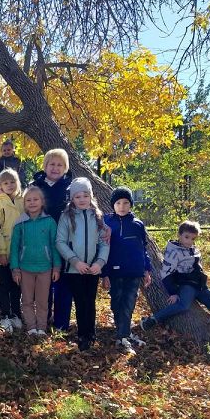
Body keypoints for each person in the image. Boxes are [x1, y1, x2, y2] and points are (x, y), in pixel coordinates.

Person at [139, 220, 210, 351]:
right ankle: (151, 320)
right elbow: (166, 273)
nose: (189, 241)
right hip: (186, 284)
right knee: (183, 305)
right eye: (186, 237)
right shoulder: (173, 252)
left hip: (200, 285)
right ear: (179, 235)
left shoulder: (194, 250)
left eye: (193, 238)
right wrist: (173, 292)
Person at [56, 178, 109, 351]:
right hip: (74, 269)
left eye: (85, 195)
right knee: (80, 301)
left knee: (90, 301)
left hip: (93, 269)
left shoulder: (97, 216)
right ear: (72, 198)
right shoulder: (66, 216)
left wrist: (99, 263)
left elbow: (104, 242)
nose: (82, 199)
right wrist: (75, 261)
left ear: (91, 196)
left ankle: (91, 333)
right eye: (78, 196)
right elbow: (60, 242)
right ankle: (82, 335)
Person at [101, 186, 152, 355]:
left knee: (129, 301)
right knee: (117, 301)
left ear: (131, 204)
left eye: (125, 203)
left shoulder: (137, 224)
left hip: (134, 272)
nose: (122, 206)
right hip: (114, 272)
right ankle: (123, 332)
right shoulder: (106, 222)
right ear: (113, 205)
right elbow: (103, 248)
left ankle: (123, 336)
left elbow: (143, 249)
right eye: (118, 203)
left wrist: (147, 269)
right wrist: (104, 274)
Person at [10, 186, 61, 337]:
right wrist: (15, 268)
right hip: (25, 269)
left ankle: (41, 328)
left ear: (42, 201)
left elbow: (55, 245)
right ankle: (31, 327)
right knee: (26, 300)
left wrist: (56, 267)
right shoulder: (20, 223)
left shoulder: (49, 222)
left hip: (45, 268)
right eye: (28, 200)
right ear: (24, 203)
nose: (32, 203)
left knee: (42, 301)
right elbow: (14, 247)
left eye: (35, 199)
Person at [33, 148, 73, 330]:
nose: (55, 168)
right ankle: (43, 318)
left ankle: (61, 323)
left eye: (60, 165)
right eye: (52, 164)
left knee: (63, 282)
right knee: (44, 282)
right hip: (42, 240)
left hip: (65, 241)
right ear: (45, 166)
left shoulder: (70, 187)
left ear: (65, 168)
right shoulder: (36, 186)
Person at [0, 168, 25, 333]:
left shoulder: (23, 201)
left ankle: (16, 313)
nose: (10, 185)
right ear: (0, 186)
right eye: (6, 183)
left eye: (12, 182)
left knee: (17, 284)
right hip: (3, 252)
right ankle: (5, 315)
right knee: (5, 283)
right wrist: (2, 252)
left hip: (20, 253)